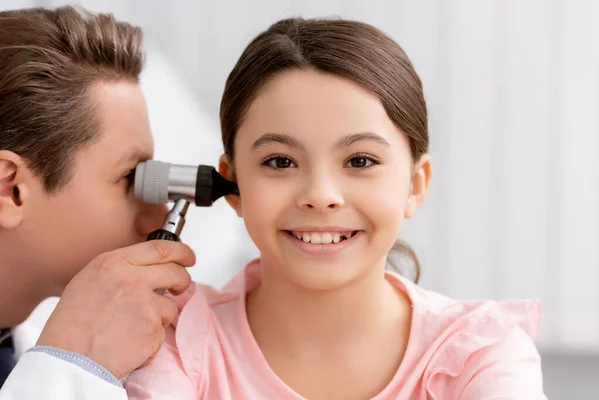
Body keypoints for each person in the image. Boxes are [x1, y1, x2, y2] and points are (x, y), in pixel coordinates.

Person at [125, 17, 547, 399]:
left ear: (415, 186)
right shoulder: (174, 342)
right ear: (233, 185)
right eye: (280, 161)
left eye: (360, 161)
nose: (321, 194)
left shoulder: (482, 356)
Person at [0, 6, 195, 399]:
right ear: (11, 189)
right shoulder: (67, 361)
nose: (156, 216)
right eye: (129, 178)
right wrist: (73, 365)